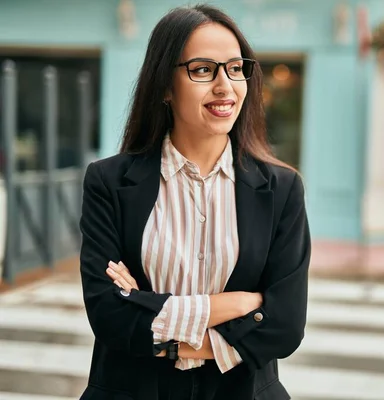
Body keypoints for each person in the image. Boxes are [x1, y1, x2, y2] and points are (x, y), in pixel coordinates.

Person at [78, 4, 311, 399]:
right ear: (165, 86)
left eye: (236, 68)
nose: (225, 86)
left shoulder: (282, 189)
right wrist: (239, 303)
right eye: (203, 70)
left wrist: (160, 328)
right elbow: (110, 315)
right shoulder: (109, 182)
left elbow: (284, 326)